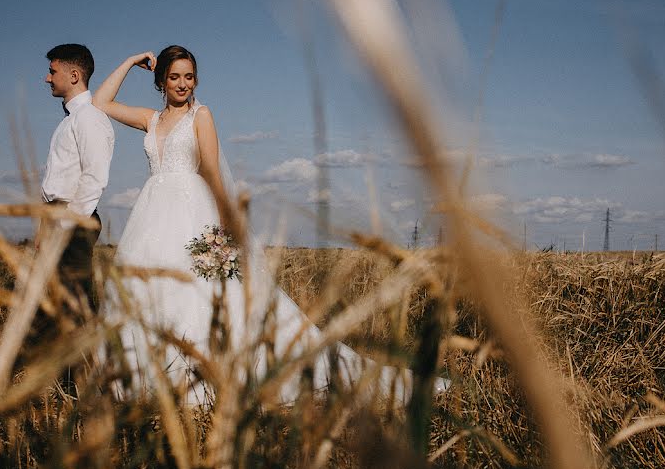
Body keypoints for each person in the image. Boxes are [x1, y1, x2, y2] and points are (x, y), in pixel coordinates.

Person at [94, 46, 446, 405]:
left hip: (192, 214)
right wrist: (129, 61)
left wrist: (227, 225)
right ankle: (151, 379)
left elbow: (213, 172)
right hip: (152, 219)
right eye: (174, 77)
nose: (183, 84)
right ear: (161, 81)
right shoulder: (151, 120)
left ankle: (206, 377)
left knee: (203, 295)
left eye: (189, 76)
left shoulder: (201, 116)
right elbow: (100, 103)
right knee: (151, 294)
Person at [29, 43, 115, 392]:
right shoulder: (72, 119)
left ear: (74, 75)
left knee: (75, 305)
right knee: (59, 305)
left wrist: (67, 225)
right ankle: (65, 383)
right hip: (57, 219)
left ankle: (82, 387)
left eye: (53, 71)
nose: (46, 77)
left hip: (73, 221)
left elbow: (95, 178)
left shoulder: (89, 118)